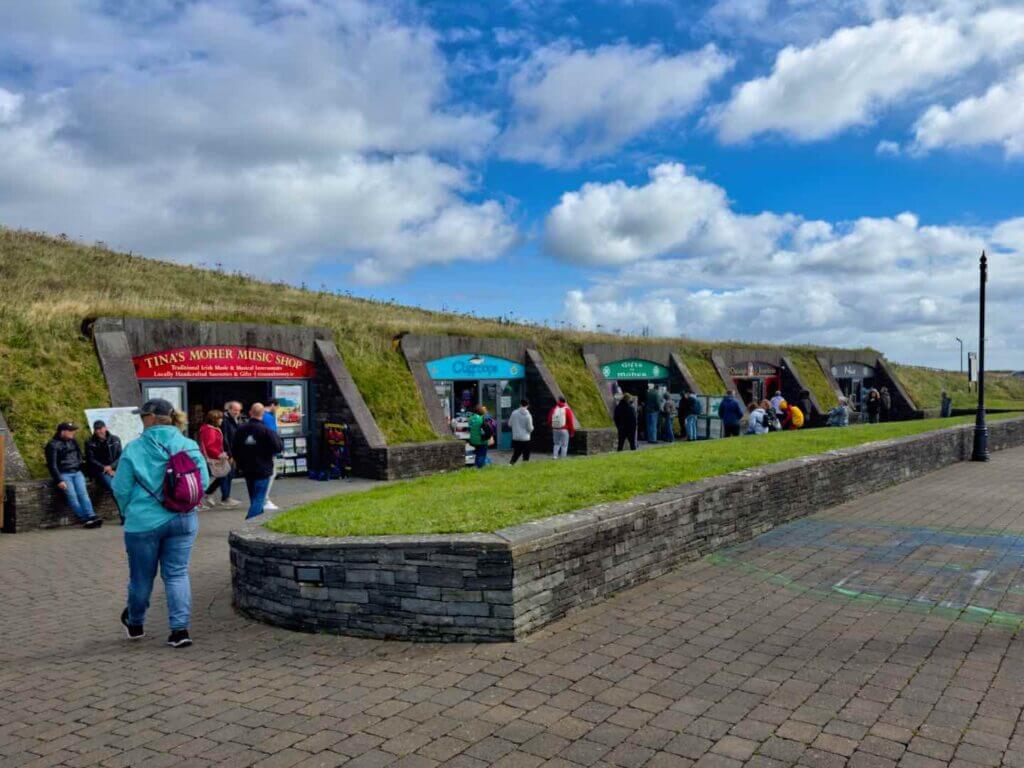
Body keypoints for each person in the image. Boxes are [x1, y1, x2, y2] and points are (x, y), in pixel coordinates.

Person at [113, 398, 209, 648]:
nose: (141, 420)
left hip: (143, 523)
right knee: (177, 574)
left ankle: (135, 623)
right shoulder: (187, 444)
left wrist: (127, 512)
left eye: (142, 416)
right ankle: (179, 631)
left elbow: (120, 489)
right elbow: (204, 482)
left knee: (141, 578)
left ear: (152, 418)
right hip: (183, 519)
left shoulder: (133, 449)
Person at [45, 422, 102, 528]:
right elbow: (52, 465)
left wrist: (83, 468)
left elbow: (79, 455)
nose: (73, 432)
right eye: (70, 431)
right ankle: (84, 519)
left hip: (77, 472)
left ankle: (91, 515)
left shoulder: (73, 441)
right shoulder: (52, 445)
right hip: (64, 474)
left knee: (83, 494)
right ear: (63, 431)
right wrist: (59, 480)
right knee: (72, 497)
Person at [232, 403, 284, 518]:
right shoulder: (266, 430)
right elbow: (278, 447)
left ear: (250, 412)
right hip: (263, 468)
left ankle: (257, 522)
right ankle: (249, 522)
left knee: (254, 498)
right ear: (263, 414)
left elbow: (234, 449)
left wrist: (239, 463)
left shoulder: (241, 429)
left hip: (247, 468)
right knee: (259, 499)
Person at [85, 420, 123, 522]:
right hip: (100, 471)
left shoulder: (115, 439)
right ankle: (123, 515)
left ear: (105, 428)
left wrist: (111, 467)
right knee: (113, 488)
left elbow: (121, 456)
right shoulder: (90, 442)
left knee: (126, 488)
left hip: (115, 468)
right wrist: (105, 468)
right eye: (96, 429)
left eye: (100, 428)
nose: (99, 431)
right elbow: (91, 459)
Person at [198, 410, 231, 508]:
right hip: (212, 458)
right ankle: (206, 498)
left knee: (223, 475)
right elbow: (210, 446)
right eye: (220, 418)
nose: (222, 420)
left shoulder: (209, 429)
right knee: (205, 479)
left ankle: (209, 495)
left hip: (211, 457)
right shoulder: (210, 430)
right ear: (214, 420)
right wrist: (220, 455)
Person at [217, 401, 243, 508]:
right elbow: (225, 438)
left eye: (239, 410)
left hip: (233, 452)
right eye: (235, 410)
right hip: (228, 453)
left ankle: (223, 496)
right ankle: (225, 498)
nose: (237, 412)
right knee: (227, 475)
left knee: (229, 475)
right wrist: (230, 454)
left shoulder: (234, 420)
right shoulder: (225, 421)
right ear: (229, 409)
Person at [261, 399, 281, 511]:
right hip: (267, 451)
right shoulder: (268, 417)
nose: (277, 409)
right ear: (273, 405)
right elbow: (272, 435)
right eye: (277, 407)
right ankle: (264, 500)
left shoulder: (259, 415)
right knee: (270, 474)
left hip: (259, 450)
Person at [508, 399, 533, 465]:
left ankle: (510, 464)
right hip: (525, 438)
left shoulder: (514, 413)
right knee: (526, 454)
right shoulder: (528, 415)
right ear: (528, 405)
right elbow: (529, 428)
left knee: (516, 453)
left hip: (516, 437)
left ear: (520, 404)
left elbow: (510, 424)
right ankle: (525, 466)